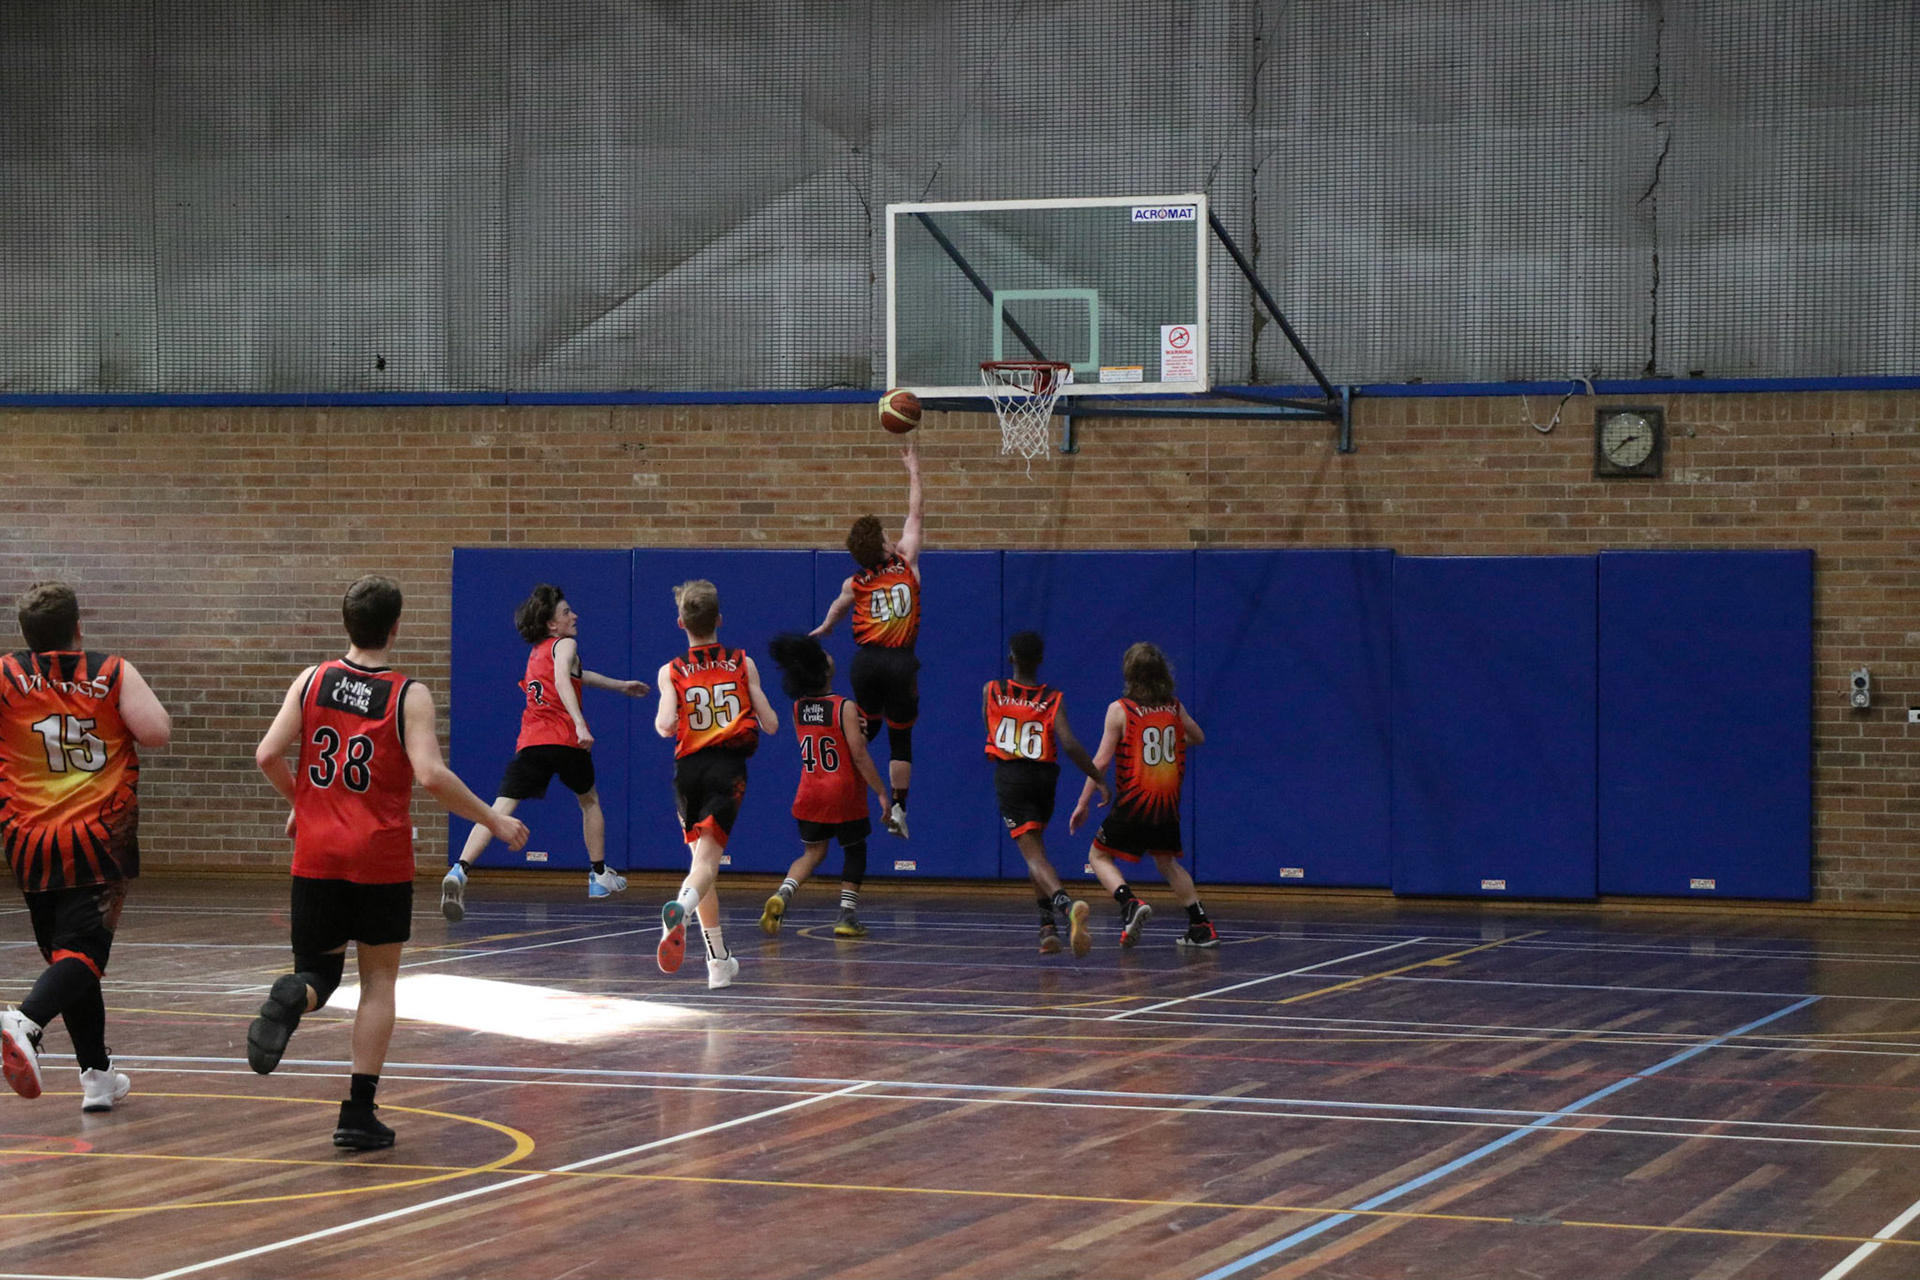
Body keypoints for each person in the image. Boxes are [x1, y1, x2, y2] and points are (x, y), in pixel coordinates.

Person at [250, 575, 528, 1149]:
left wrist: (304, 801)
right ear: (396, 627)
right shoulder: (409, 694)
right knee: (378, 982)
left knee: (319, 974)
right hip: (379, 858)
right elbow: (431, 775)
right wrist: (494, 820)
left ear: (346, 622)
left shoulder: (312, 680)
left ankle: (295, 994)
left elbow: (268, 754)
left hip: (317, 852)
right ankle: (357, 1114)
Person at [0, 582, 171, 1112]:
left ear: (26, 634)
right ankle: (25, 1020)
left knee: (69, 958)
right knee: (84, 954)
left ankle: (97, 1075)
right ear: (78, 627)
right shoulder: (111, 671)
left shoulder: (6, 674)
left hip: (28, 838)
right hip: (100, 838)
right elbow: (156, 732)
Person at [440, 584, 648, 922]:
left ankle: (460, 869)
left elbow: (577, 674)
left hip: (532, 742)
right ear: (553, 624)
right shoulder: (566, 644)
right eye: (566, 612)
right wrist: (579, 723)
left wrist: (620, 685)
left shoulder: (537, 652)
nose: (574, 616)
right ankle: (598, 875)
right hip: (565, 739)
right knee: (589, 800)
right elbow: (564, 680)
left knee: (497, 810)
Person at [653, 580, 777, 990]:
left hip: (687, 772)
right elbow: (771, 724)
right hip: (726, 769)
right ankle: (681, 910)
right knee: (706, 867)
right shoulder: (742, 662)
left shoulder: (670, 671)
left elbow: (664, 725)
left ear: (680, 624)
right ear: (719, 619)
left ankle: (718, 961)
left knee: (700, 867)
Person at [1069, 642, 1214, 949]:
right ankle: (1201, 924)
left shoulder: (1120, 709)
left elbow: (1101, 762)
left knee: (1098, 856)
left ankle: (1129, 903)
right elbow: (1198, 736)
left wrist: (1082, 803)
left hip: (1135, 802)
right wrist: (1169, 742)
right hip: (1167, 805)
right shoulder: (1174, 707)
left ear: (1129, 673)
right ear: (1162, 671)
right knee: (1168, 863)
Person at [811, 443, 922, 839]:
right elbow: (915, 513)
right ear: (885, 546)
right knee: (900, 738)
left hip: (866, 663)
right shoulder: (906, 562)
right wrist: (913, 469)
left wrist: (825, 627)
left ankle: (836, 771)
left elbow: (838, 608)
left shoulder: (854, 582)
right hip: (900, 661)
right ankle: (899, 809)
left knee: (867, 725)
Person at [985, 631, 1110, 956]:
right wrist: (1097, 776)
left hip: (1012, 776)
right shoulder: (1053, 698)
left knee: (1033, 856)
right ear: (1040, 660)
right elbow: (1068, 743)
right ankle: (1047, 929)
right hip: (1044, 779)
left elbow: (992, 728)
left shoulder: (992, 690)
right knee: (1036, 849)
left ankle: (1066, 907)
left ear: (1011, 657)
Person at [761, 633, 892, 940]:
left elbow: (826, 735)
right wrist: (881, 792)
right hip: (843, 791)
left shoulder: (798, 708)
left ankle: (782, 894)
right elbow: (858, 754)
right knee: (855, 850)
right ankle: (846, 916)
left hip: (810, 791)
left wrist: (855, 729)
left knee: (813, 852)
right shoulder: (844, 706)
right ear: (823, 671)